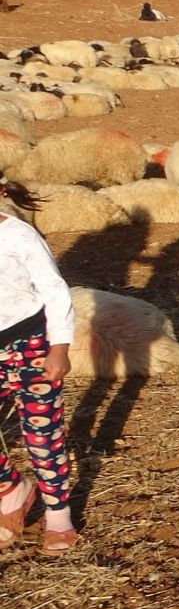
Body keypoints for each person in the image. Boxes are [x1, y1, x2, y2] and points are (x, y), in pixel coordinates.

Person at [0, 178, 78, 553]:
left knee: (41, 432)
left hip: (29, 344)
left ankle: (58, 516)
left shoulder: (20, 236)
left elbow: (54, 289)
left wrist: (59, 346)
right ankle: (12, 486)